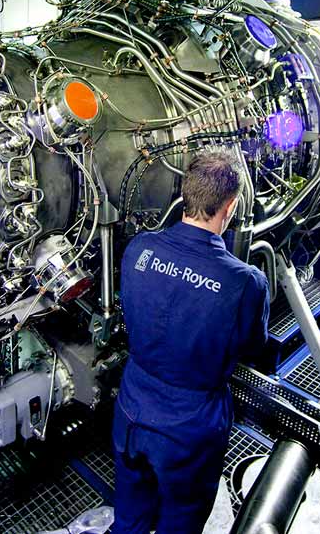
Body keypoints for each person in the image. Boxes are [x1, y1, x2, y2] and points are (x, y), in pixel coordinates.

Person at [112, 152, 271, 534]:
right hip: (189, 428)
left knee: (129, 516)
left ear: (185, 194)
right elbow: (253, 349)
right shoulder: (245, 282)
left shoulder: (139, 248)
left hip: (131, 409)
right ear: (230, 207)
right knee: (180, 522)